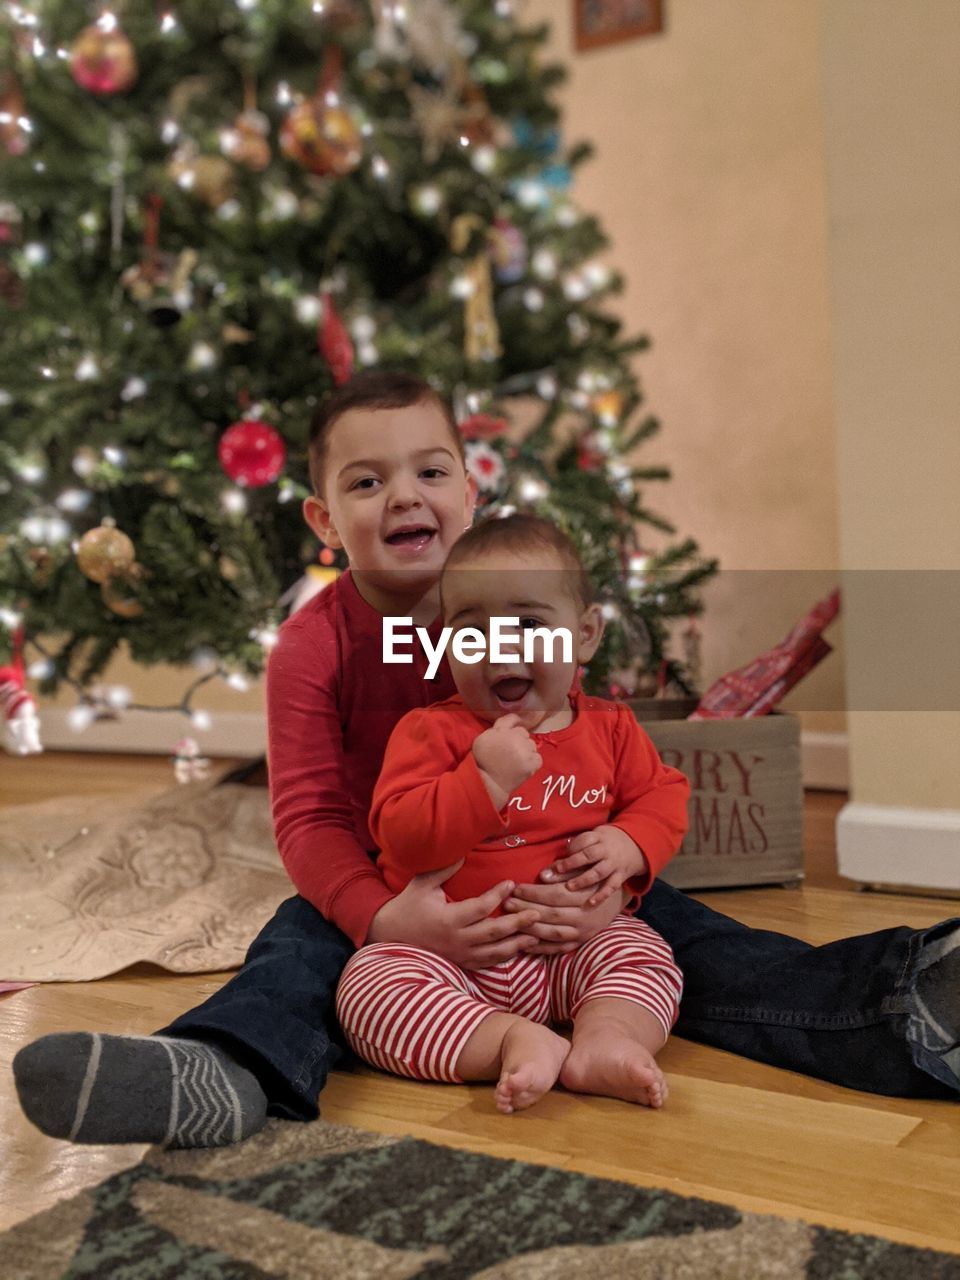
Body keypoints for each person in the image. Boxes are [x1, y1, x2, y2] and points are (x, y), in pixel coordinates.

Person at [14, 370, 960, 1149]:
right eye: (366, 482)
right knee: (301, 949)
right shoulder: (316, 646)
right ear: (322, 520)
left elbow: (623, 770)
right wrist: (389, 915)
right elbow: (309, 820)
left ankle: (903, 1005)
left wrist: (620, 869)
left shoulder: (528, 604)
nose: (404, 497)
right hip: (400, 880)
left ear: (471, 491)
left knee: (696, 943)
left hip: (561, 884)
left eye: (430, 470)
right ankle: (224, 1065)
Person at [337, 514, 687, 1113]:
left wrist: (630, 847)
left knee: (646, 955)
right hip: (449, 959)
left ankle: (604, 1038)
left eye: (527, 624)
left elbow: (663, 796)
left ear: (585, 636)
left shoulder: (611, 728)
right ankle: (508, 1042)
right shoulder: (431, 731)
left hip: (576, 945)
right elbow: (403, 837)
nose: (502, 648)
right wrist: (484, 782)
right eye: (473, 632)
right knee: (368, 988)